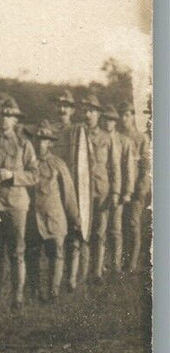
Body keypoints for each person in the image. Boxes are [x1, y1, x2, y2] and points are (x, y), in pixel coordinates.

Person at [0, 97, 36, 311]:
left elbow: (34, 174)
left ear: (15, 120)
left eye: (9, 116)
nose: (4, 119)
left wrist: (12, 175)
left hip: (15, 204)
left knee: (16, 252)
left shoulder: (24, 144)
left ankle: (17, 298)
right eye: (1, 115)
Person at [25, 121, 80, 302]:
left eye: (43, 140)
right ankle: (34, 291)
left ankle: (53, 292)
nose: (39, 143)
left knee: (55, 254)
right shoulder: (26, 163)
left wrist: (75, 218)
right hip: (32, 219)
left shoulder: (58, 165)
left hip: (54, 217)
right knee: (31, 254)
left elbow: (69, 194)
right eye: (36, 139)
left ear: (50, 143)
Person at [50, 91, 90, 292]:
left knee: (75, 232)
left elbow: (85, 163)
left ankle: (72, 279)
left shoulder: (77, 131)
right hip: (54, 189)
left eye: (66, 106)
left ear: (72, 110)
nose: (62, 109)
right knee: (58, 232)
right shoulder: (48, 130)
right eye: (59, 105)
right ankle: (56, 281)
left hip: (73, 187)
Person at [78, 93, 119, 285]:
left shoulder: (106, 138)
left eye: (92, 111)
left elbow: (115, 166)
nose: (88, 115)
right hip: (82, 192)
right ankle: (83, 273)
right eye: (85, 111)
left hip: (102, 191)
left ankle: (97, 272)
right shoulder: (77, 135)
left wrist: (115, 192)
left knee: (100, 232)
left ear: (98, 114)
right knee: (83, 231)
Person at [100, 104, 132, 276]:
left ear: (115, 122)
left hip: (117, 191)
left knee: (116, 228)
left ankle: (116, 264)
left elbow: (128, 169)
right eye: (106, 119)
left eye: (111, 120)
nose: (108, 123)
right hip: (101, 190)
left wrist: (127, 192)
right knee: (101, 229)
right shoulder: (98, 139)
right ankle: (101, 264)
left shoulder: (123, 141)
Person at [119, 100, 149, 273]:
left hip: (137, 186)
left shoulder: (141, 138)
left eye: (127, 115)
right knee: (121, 224)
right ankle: (122, 259)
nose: (124, 119)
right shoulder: (117, 136)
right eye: (121, 115)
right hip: (121, 187)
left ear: (133, 117)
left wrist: (141, 187)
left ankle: (133, 262)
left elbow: (146, 166)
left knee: (133, 223)